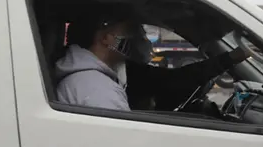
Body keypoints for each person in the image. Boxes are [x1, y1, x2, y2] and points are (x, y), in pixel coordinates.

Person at [55, 13, 248, 112]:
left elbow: (170, 81)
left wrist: (231, 58)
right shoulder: (94, 89)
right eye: (131, 32)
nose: (141, 39)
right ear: (107, 38)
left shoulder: (114, 73)